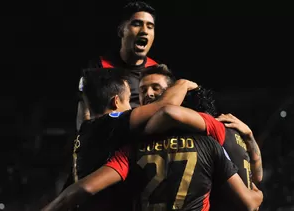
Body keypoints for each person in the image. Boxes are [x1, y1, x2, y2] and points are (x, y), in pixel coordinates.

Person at [42, 66, 263, 211]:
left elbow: (81, 190)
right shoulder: (212, 140)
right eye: (142, 91)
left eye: (156, 89)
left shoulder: (131, 147)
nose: (147, 95)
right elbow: (254, 185)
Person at [59, 67, 199, 210]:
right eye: (128, 100)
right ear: (115, 102)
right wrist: (183, 84)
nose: (132, 107)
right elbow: (164, 106)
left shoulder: (86, 128)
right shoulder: (111, 123)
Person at [77, 1, 159, 131]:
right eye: (137, 24)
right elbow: (85, 112)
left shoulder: (156, 70)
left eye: (150, 27)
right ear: (121, 31)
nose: (144, 31)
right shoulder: (99, 66)